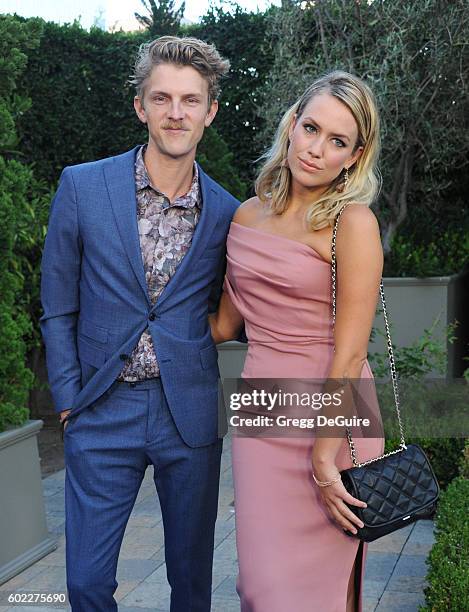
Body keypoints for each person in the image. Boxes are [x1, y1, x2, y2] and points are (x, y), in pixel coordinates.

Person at [40, 36, 240, 612]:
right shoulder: (82, 186)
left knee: (191, 584)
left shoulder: (230, 212)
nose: (176, 112)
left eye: (190, 99)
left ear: (210, 111)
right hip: (101, 409)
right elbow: (57, 305)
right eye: (162, 97)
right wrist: (69, 398)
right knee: (85, 584)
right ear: (140, 106)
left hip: (188, 414)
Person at [209, 70, 385, 611]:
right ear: (291, 125)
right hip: (263, 410)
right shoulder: (245, 215)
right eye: (311, 128)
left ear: (354, 157)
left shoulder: (351, 223)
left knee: (320, 591)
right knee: (262, 588)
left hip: (333, 418)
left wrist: (324, 457)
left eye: (338, 141)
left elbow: (352, 352)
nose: (316, 150)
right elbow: (222, 327)